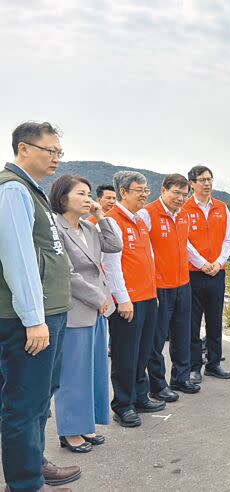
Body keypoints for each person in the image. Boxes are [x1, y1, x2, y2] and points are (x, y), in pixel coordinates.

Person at [0, 122, 80, 491]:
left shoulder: (33, 192)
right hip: (31, 319)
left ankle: (34, 461)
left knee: (40, 396)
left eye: (59, 153)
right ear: (24, 149)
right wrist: (33, 319)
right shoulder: (13, 190)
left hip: (51, 313)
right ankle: (25, 480)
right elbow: (19, 259)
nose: (56, 159)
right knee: (23, 402)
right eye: (51, 151)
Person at [49, 175, 122, 453]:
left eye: (89, 194)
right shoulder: (55, 229)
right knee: (73, 374)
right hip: (77, 308)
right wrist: (98, 298)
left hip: (97, 309)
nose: (87, 199)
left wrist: (102, 216)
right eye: (81, 194)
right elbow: (64, 273)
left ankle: (84, 424)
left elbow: (115, 246)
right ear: (62, 197)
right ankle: (69, 431)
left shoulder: (90, 229)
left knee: (92, 371)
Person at [103, 171, 165, 427]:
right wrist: (122, 299)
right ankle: (123, 405)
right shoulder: (111, 221)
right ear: (123, 192)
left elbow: (147, 258)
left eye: (146, 189)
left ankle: (141, 396)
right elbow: (111, 265)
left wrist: (154, 293)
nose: (144, 194)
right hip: (128, 301)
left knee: (143, 351)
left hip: (148, 297)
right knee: (125, 355)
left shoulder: (140, 220)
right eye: (139, 190)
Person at [138, 174, 201, 399]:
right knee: (157, 338)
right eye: (176, 193)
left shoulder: (184, 216)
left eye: (185, 195)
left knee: (182, 334)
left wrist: (204, 264)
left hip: (183, 284)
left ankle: (180, 378)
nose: (181, 198)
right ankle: (157, 385)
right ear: (163, 190)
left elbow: (186, 246)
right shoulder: (147, 214)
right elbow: (142, 251)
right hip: (159, 286)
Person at [183, 165, 230, 383]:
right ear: (192, 183)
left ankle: (214, 364)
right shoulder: (184, 208)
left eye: (210, 179)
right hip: (193, 273)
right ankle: (195, 367)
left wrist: (219, 262)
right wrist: (203, 263)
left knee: (215, 320)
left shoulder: (222, 208)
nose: (207, 183)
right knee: (193, 322)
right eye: (202, 179)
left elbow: (229, 239)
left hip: (217, 273)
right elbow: (182, 241)